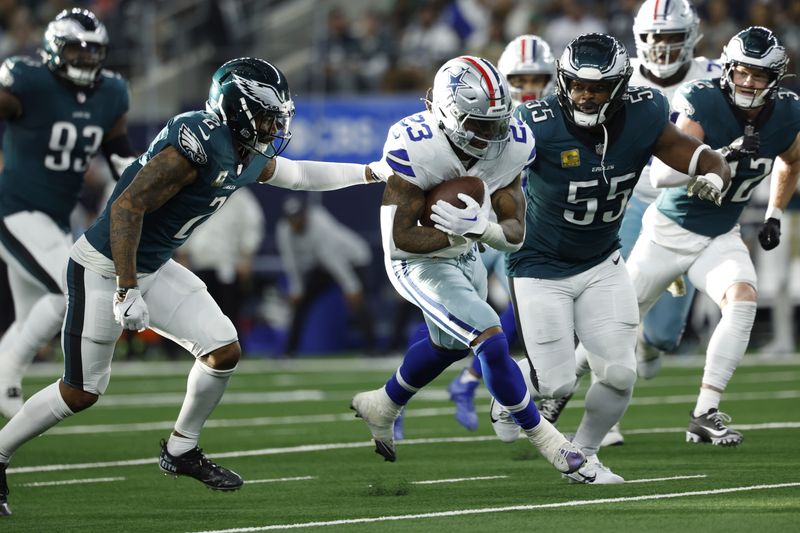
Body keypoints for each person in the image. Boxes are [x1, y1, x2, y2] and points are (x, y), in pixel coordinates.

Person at [0, 56, 380, 516]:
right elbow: (125, 210)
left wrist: (371, 172)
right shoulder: (197, 142)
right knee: (81, 391)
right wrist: (125, 288)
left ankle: (181, 448)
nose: (273, 126)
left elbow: (297, 174)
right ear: (237, 109)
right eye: (265, 116)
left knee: (222, 349)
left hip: (153, 266)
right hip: (104, 267)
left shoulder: (245, 151)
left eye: (278, 117)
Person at [491, 33, 730, 484]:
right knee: (556, 383)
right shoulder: (535, 121)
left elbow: (693, 153)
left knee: (620, 374)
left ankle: (583, 456)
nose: (585, 94)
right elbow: (500, 181)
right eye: (577, 84)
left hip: (602, 260)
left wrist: (715, 174)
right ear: (563, 82)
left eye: (598, 87)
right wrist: (494, 221)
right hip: (540, 265)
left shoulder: (645, 112)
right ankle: (511, 384)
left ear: (619, 86)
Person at [350, 55, 586, 477]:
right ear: (445, 112)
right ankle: (550, 441)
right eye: (478, 123)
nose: (490, 133)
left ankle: (383, 403)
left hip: (466, 253)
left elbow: (514, 233)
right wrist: (462, 235)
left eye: (495, 122)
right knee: (489, 338)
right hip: (415, 262)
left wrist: (483, 230)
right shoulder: (414, 145)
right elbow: (400, 239)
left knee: (450, 345)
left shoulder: (513, 143)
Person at [539, 0, 723, 446]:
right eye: (655, 37)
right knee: (606, 310)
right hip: (626, 204)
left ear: (691, 37)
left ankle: (647, 347)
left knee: (660, 334)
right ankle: (607, 419)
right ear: (640, 38)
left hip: (684, 209)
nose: (661, 47)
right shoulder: (618, 74)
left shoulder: (717, 75)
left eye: (671, 37)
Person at [626, 26, 799, 446]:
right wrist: (715, 161)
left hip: (720, 234)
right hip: (666, 232)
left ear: (774, 80)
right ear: (728, 68)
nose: (747, 82)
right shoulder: (703, 98)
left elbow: (791, 161)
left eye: (758, 76)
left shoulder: (788, 111)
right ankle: (551, 392)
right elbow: (663, 173)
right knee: (614, 323)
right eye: (741, 71)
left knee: (743, 300)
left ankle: (705, 411)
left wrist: (775, 213)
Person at [0, 8, 137, 420]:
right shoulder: (28, 80)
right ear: (54, 49)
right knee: (67, 292)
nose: (85, 58)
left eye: (93, 50)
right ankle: (9, 370)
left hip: (56, 217)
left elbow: (117, 149)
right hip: (15, 208)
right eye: (76, 49)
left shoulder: (111, 92)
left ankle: (4, 379)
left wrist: (139, 179)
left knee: (34, 312)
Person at [443, 34, 557, 432]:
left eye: (537, 78)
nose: (528, 88)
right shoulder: (491, 118)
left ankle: (468, 381)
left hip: (516, 225)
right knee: (513, 312)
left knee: (508, 314)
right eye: (519, 79)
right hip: (487, 223)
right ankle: (474, 384)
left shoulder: (553, 117)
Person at [276, 196, 375, 356]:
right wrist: (296, 289)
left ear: (305, 214)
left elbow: (335, 261)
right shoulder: (284, 230)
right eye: (291, 218)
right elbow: (290, 261)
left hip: (354, 259)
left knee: (358, 301)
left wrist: (351, 288)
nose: (295, 222)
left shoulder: (320, 227)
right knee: (301, 303)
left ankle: (372, 349)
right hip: (322, 265)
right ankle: (289, 351)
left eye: (298, 217)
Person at [176, 185, 265, 333]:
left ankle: (232, 344)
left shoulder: (240, 196)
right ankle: (206, 345)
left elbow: (252, 224)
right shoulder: (198, 191)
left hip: (228, 262)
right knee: (203, 309)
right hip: (201, 261)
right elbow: (186, 221)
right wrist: (183, 253)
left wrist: (246, 256)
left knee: (229, 307)